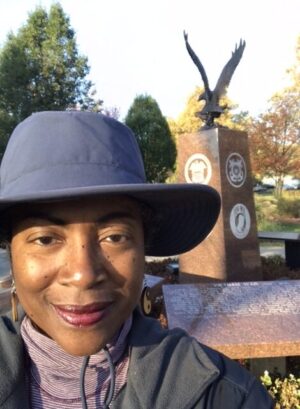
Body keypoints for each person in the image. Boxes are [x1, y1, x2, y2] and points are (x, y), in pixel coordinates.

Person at [0, 111, 274, 409]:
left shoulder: (224, 396)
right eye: (45, 239)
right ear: (10, 252)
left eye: (115, 237)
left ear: (144, 246)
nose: (84, 274)